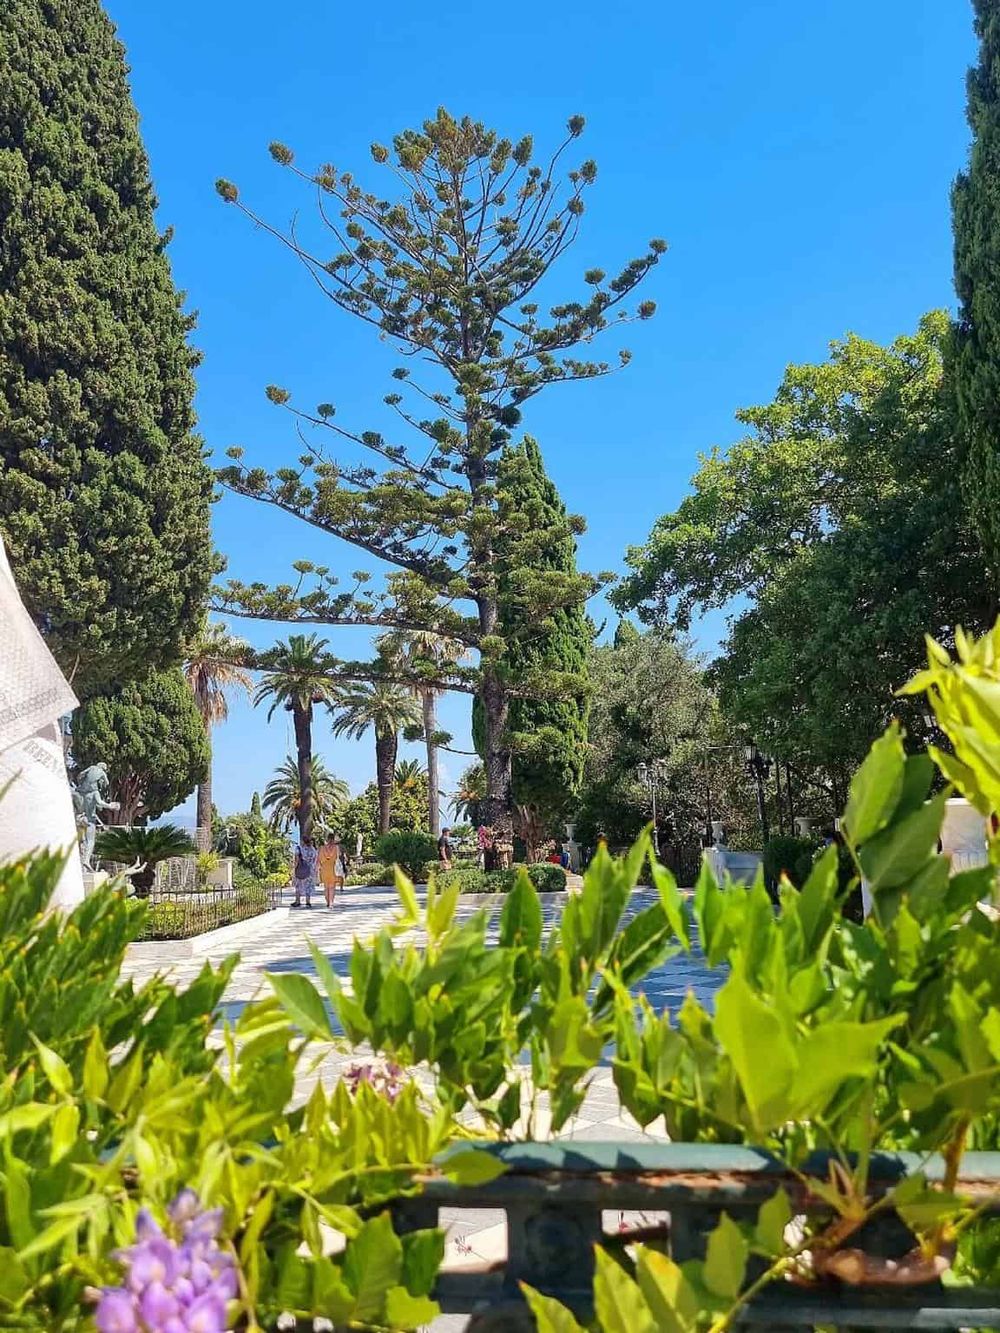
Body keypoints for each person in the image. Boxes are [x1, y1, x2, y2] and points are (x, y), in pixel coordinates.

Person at [318, 831, 346, 908]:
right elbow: (338, 856)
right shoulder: (336, 848)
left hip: (324, 869)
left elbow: (319, 859)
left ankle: (327, 901)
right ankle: (331, 903)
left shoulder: (322, 848)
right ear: (333, 839)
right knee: (332, 887)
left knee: (326, 887)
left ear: (327, 839)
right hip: (333, 868)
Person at [291, 836, 318, 909]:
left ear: (302, 841)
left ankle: (298, 901)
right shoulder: (313, 849)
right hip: (310, 870)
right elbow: (315, 859)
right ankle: (308, 902)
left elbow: (296, 860)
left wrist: (294, 868)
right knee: (308, 886)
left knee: (298, 885)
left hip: (300, 869)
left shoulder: (299, 848)